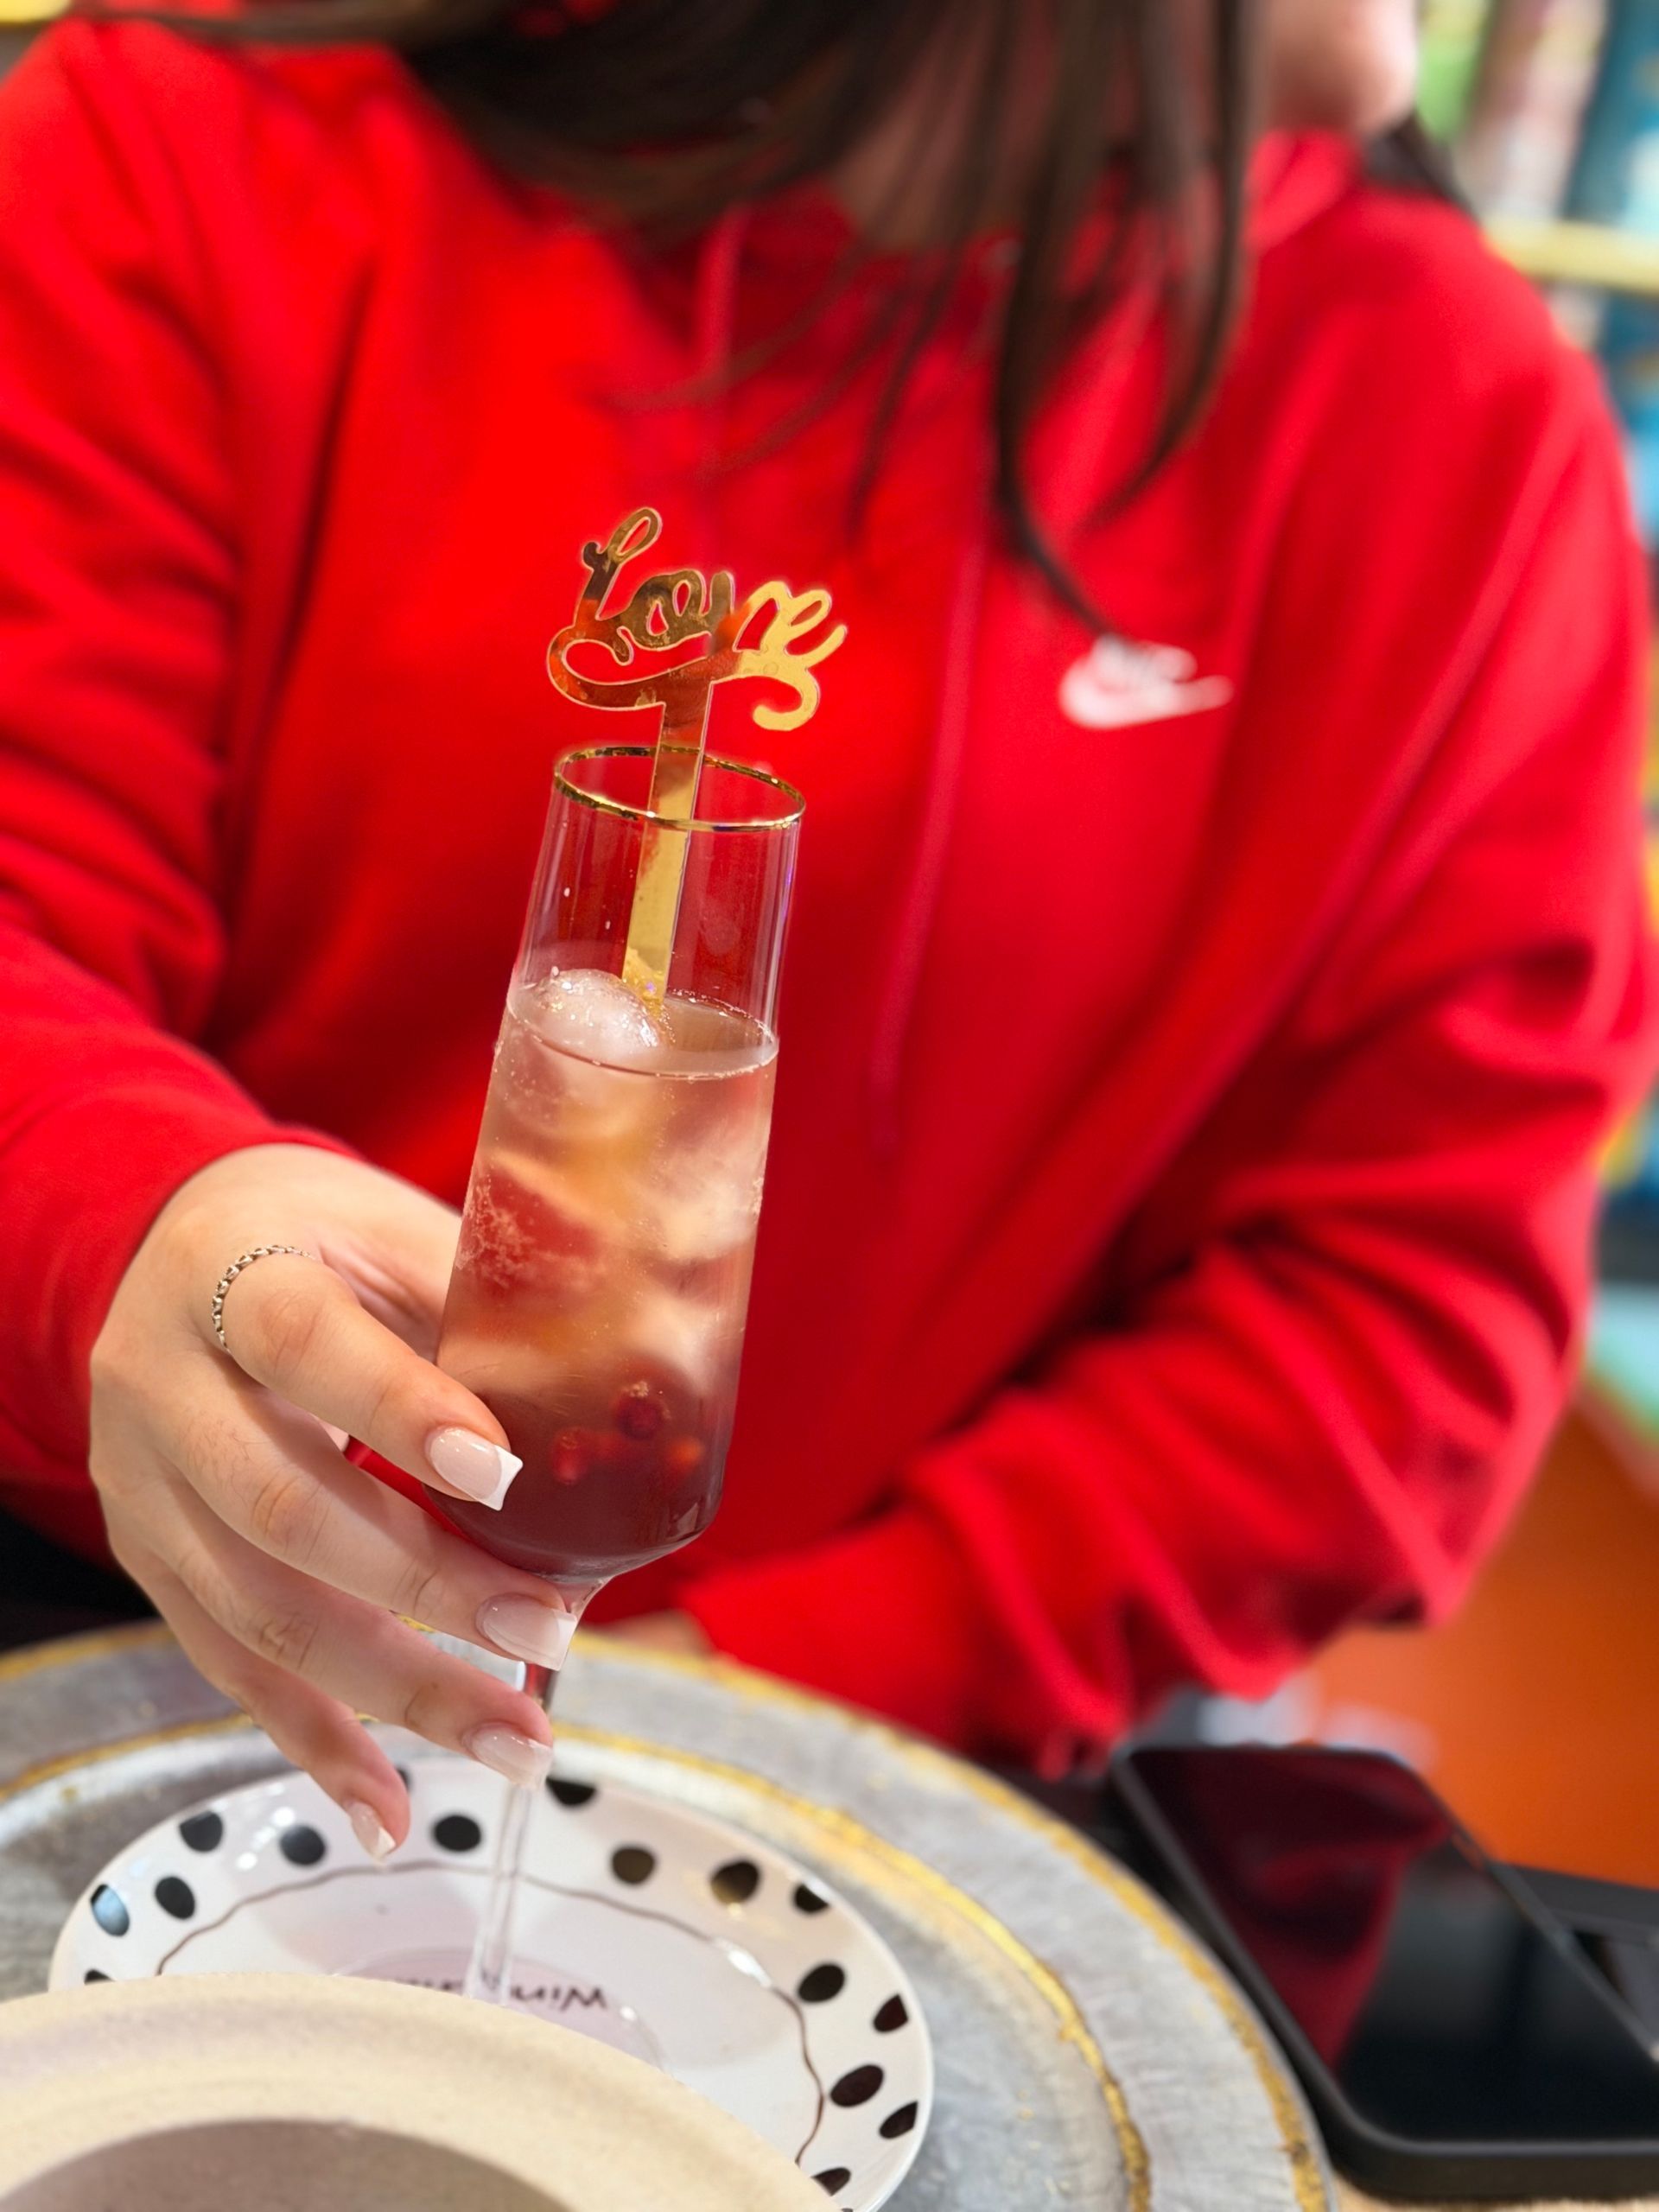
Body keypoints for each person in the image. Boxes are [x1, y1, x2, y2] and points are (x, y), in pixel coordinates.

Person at [0, 0, 1650, 1859]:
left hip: (895, 1787)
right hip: (146, 1659)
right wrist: (127, 1227)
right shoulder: (200, 147)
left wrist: (789, 1680)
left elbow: (1409, 1297)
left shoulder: (1455, 417)